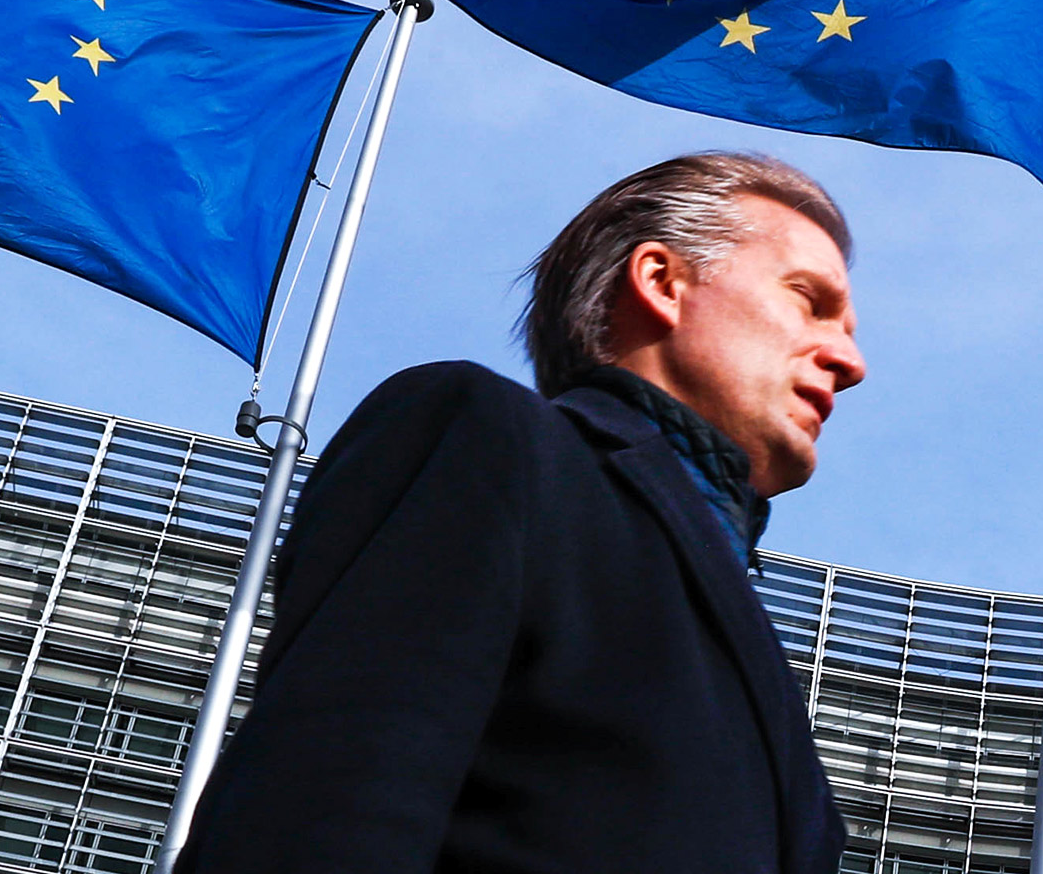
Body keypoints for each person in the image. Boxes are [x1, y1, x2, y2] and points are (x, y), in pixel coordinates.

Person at [176, 152, 867, 874]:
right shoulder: (485, 438)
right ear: (662, 282)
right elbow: (324, 802)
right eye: (809, 301)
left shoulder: (753, 653)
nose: (850, 362)